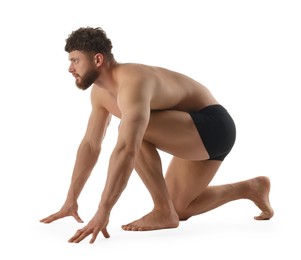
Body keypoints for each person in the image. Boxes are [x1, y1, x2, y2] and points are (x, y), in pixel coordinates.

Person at [40, 27, 274, 243]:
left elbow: (126, 149)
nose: (70, 68)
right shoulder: (100, 94)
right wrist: (71, 199)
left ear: (98, 59)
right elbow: (90, 145)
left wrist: (103, 211)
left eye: (75, 60)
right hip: (187, 131)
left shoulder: (133, 82)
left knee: (129, 132)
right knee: (180, 208)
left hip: (213, 126)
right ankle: (251, 188)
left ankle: (162, 211)